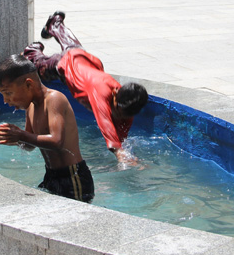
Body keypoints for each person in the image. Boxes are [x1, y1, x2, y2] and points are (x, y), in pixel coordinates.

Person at [22, 11, 148, 165]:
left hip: (85, 60)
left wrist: (125, 150)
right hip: (66, 65)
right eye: (116, 110)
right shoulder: (101, 91)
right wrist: (118, 151)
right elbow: (104, 120)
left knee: (72, 46)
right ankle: (33, 49)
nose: (117, 114)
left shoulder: (127, 101)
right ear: (114, 94)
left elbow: (122, 127)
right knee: (40, 68)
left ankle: (55, 24)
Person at [0, 55, 94, 202]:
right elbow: (30, 145)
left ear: (29, 85)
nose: (6, 101)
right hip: (51, 175)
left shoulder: (54, 99)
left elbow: (57, 141)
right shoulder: (30, 106)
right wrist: (13, 139)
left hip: (72, 177)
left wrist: (20, 135)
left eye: (8, 93)